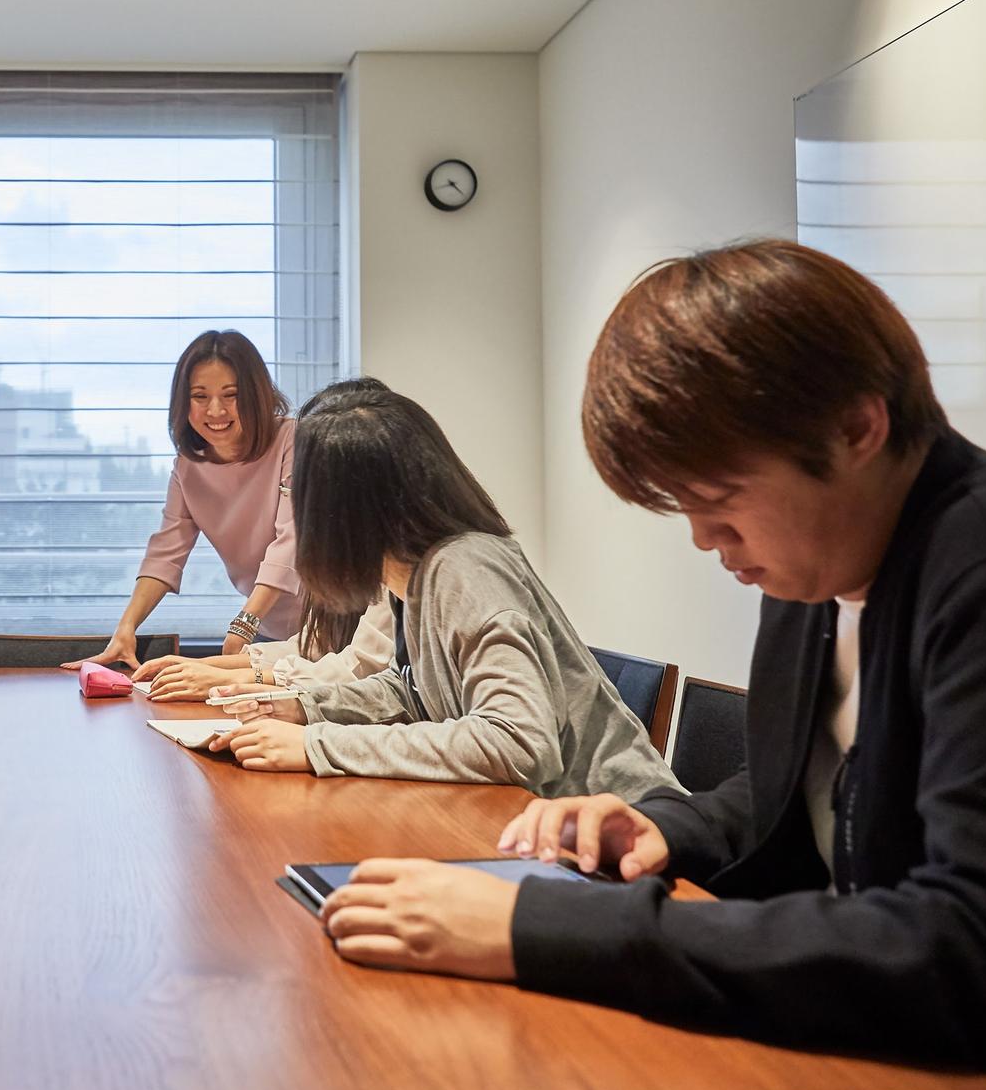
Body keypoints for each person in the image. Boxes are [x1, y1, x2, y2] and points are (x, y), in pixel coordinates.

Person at [319, 241, 986, 1090]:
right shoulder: (819, 573)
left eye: (717, 501)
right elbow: (802, 799)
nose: (706, 540)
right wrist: (670, 829)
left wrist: (543, 926)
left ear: (858, 428)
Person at [211, 386, 679, 803]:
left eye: (296, 490)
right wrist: (303, 708)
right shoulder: (414, 573)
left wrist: (319, 745)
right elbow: (413, 691)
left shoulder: (465, 569)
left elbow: (519, 742)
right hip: (539, 825)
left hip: (628, 837)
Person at [135, 377, 400, 701]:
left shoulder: (401, 550)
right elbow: (316, 645)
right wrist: (203, 666)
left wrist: (237, 674)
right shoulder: (350, 545)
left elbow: (360, 666)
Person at [68, 330, 301, 671]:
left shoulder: (292, 439)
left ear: (257, 395)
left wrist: (243, 623)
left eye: (232, 395)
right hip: (271, 631)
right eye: (200, 396)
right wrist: (126, 628)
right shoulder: (188, 466)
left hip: (334, 625)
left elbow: (290, 540)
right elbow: (166, 553)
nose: (216, 410)